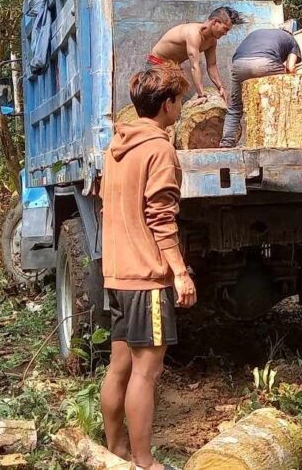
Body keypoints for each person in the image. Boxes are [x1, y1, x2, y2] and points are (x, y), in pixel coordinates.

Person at [100, 64, 198, 470]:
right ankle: (144, 461)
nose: (181, 107)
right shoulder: (158, 149)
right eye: (180, 100)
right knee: (147, 372)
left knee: (119, 366)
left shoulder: (117, 145)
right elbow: (161, 216)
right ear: (167, 105)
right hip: (146, 276)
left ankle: (116, 451)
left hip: (117, 272)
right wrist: (180, 271)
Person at [219, 26, 302, 147]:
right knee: (284, 103)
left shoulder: (258, 32)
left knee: (235, 107)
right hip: (266, 63)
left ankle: (226, 142)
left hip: (239, 64)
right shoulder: (291, 40)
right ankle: (282, 141)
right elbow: (290, 67)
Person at [147, 6, 239, 103]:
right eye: (225, 29)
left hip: (173, 68)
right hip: (156, 64)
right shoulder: (193, 33)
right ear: (215, 22)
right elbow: (194, 66)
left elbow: (212, 65)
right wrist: (201, 94)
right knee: (158, 101)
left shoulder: (212, 41)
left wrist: (221, 87)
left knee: (176, 101)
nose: (225, 33)